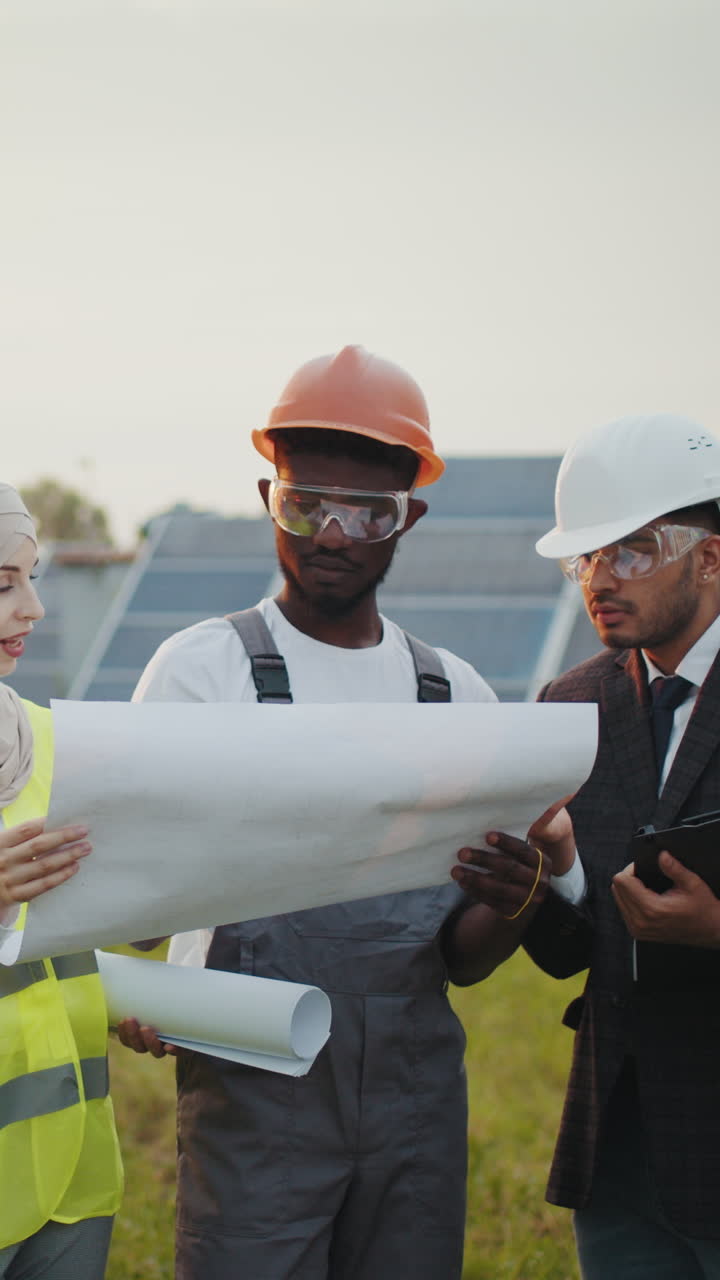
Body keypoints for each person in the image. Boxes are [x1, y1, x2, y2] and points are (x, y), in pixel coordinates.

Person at [118, 344, 575, 1280]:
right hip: (253, 1093)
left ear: (409, 518)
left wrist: (521, 894)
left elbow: (460, 960)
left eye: (367, 512)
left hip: (413, 1104)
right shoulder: (203, 672)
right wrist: (145, 990)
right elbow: (130, 905)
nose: (331, 534)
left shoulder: (456, 697)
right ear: (267, 497)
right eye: (304, 505)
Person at [518, 414, 720, 1280]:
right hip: (620, 1148)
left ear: (709, 557)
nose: (601, 578)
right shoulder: (569, 707)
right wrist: (558, 869)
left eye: (632, 550)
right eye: (588, 557)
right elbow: (569, 957)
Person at [0, 485, 123, 1279]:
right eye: (1, 583)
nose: (34, 608)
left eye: (32, 577)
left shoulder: (55, 743)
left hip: (73, 1175)